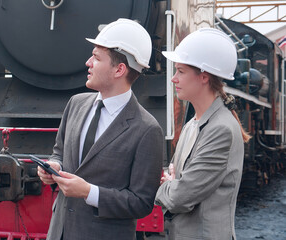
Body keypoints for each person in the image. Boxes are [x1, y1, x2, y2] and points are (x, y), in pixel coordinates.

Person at [37, 18, 164, 240]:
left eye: (96, 57)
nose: (88, 62)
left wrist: (88, 192)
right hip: (60, 232)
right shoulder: (75, 103)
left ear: (119, 70)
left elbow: (142, 202)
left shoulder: (147, 129)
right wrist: (53, 166)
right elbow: (59, 151)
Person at [155, 28, 251, 240]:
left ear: (204, 77)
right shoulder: (193, 124)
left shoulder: (220, 130)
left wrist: (167, 184)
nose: (173, 79)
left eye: (180, 71)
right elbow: (176, 183)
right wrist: (172, 182)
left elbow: (179, 197)